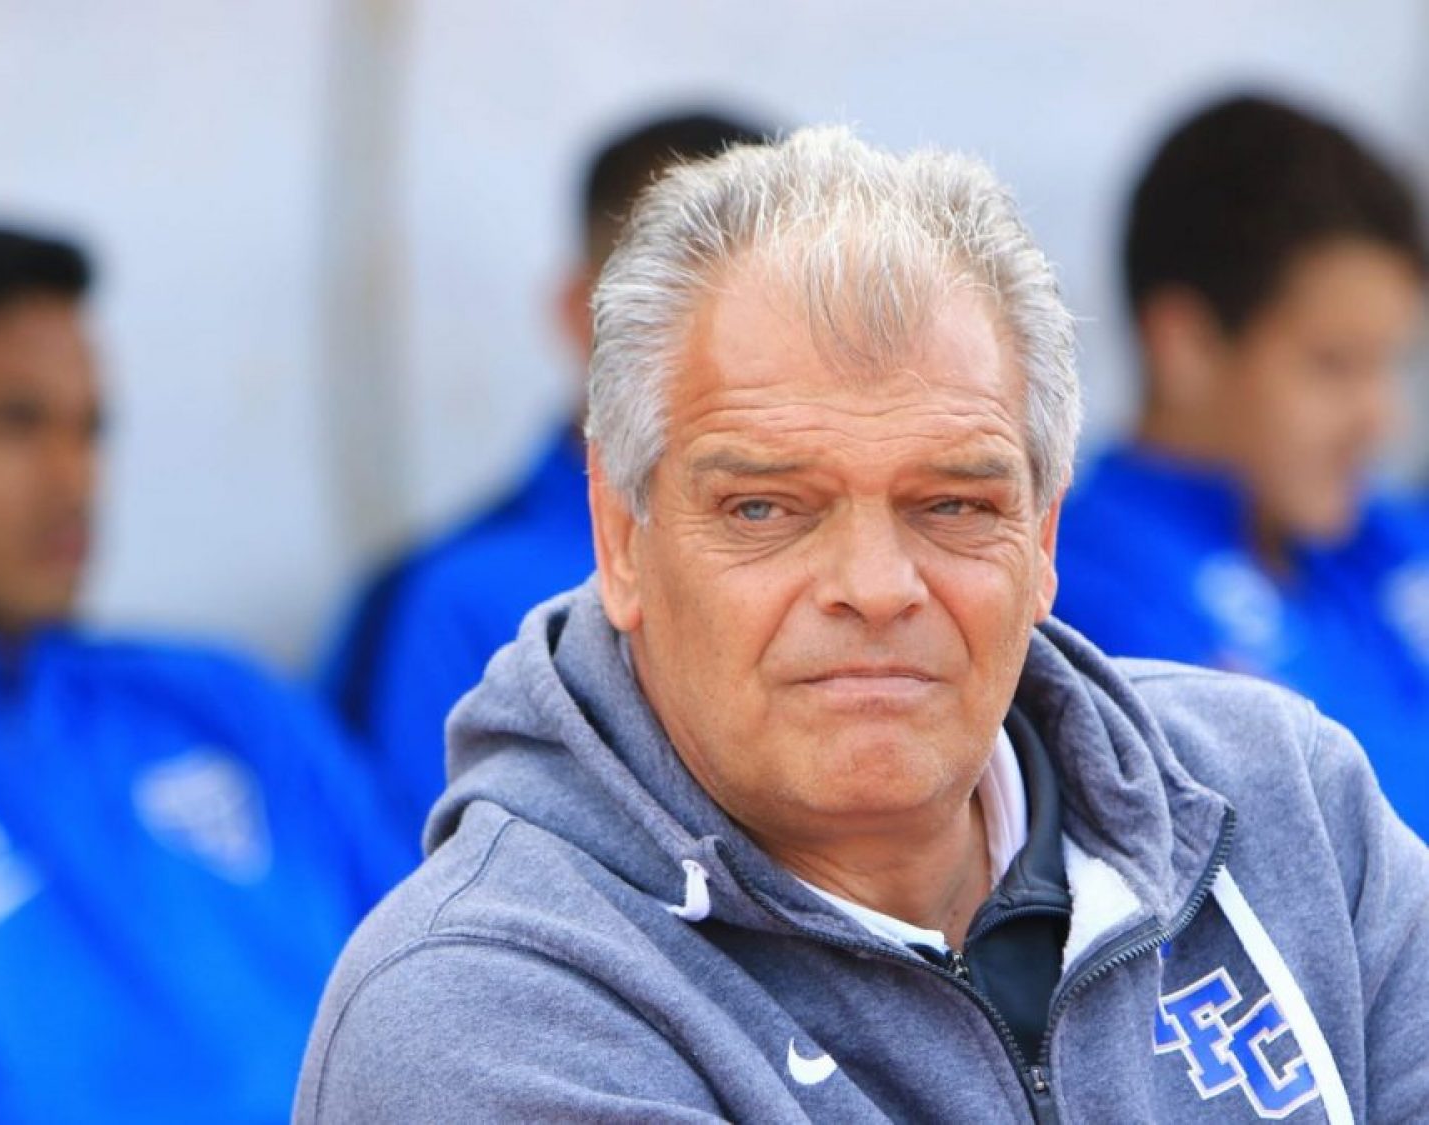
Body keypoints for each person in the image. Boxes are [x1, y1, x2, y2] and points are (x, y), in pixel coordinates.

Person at [296, 126, 1428, 1122]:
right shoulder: (480, 1008)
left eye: (954, 504)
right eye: (765, 508)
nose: (877, 586)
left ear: (1042, 537)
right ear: (621, 538)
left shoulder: (1288, 806)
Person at [0, 223, 411, 1123]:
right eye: (14, 423)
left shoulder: (225, 704)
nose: (74, 480)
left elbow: (459, 976)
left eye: (91, 429)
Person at [319, 109, 769, 842]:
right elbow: (422, 883)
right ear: (580, 312)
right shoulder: (452, 601)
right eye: (673, 302)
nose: (737, 347)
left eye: (781, 305)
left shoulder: (880, 563)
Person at [1053, 93, 1429, 837]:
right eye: (1334, 365)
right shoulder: (1082, 593)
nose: (1381, 418)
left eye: (1389, 366)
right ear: (1186, 344)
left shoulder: (1380, 539)